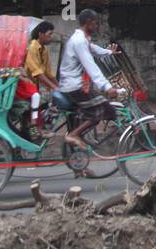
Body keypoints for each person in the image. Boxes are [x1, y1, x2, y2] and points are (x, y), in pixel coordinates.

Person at [57, 9, 118, 150]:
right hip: (73, 86)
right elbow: (91, 66)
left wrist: (109, 52)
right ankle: (74, 134)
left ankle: (79, 165)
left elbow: (93, 49)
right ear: (89, 23)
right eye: (96, 23)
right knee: (103, 109)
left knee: (91, 113)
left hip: (73, 84)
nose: (97, 26)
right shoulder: (79, 41)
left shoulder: (82, 39)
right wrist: (107, 87)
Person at [17, 21, 56, 140]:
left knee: (44, 103)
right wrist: (55, 88)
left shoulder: (43, 50)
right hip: (25, 85)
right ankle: (37, 130)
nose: (51, 37)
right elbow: (37, 72)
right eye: (49, 34)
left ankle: (26, 135)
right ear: (40, 34)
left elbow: (49, 73)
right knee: (37, 101)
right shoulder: (33, 47)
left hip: (32, 86)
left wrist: (60, 86)